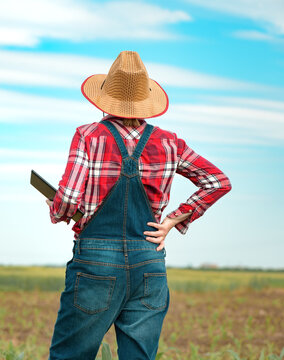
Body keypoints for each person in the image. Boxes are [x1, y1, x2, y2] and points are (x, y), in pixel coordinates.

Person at [46, 51, 232, 360]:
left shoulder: (89, 136)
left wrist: (57, 209)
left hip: (96, 260)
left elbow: (66, 199)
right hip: (149, 259)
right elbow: (217, 181)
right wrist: (172, 221)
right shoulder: (170, 142)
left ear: (105, 97)